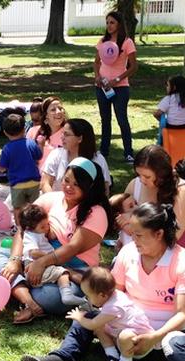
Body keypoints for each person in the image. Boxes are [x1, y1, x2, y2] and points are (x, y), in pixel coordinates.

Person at [21, 203, 185, 361]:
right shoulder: (129, 253)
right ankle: (60, 360)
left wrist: (154, 337)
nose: (133, 239)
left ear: (159, 234)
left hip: (164, 335)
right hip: (125, 323)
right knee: (85, 318)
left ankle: (121, 359)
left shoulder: (180, 261)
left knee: (173, 343)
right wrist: (98, 314)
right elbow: (113, 293)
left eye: (138, 235)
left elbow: (182, 315)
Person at [0, 157, 111, 323]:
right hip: (35, 261)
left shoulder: (96, 213)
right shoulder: (52, 198)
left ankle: (16, 289)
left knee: (50, 298)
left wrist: (42, 263)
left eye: (76, 184)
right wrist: (15, 260)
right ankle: (29, 301)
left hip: (72, 273)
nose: (69, 187)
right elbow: (23, 228)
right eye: (66, 180)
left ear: (88, 187)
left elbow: (72, 248)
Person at [66, 266, 155, 361]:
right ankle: (112, 356)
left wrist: (79, 318)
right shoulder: (113, 295)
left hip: (138, 345)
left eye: (88, 296)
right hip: (119, 333)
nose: (87, 299)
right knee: (100, 327)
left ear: (102, 295)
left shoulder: (114, 307)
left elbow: (92, 324)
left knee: (124, 336)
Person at [19, 204, 86, 307]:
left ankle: (82, 289)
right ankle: (67, 295)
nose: (47, 228)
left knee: (61, 273)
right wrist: (50, 256)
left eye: (47, 224)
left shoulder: (38, 233)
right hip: (34, 266)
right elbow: (33, 252)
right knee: (62, 272)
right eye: (42, 227)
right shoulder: (30, 236)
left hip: (44, 265)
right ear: (29, 228)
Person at [94, 11, 138, 162]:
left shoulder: (127, 42)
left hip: (120, 88)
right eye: (107, 22)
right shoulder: (102, 41)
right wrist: (97, 77)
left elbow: (133, 67)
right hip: (102, 87)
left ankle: (128, 152)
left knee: (122, 120)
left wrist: (117, 79)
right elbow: (96, 62)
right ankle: (104, 151)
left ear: (119, 24)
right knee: (105, 119)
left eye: (112, 22)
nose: (109, 25)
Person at [122, 145, 185, 245]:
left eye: (147, 176)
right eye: (139, 174)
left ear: (161, 175)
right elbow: (119, 211)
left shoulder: (181, 191)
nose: (142, 180)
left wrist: (132, 225)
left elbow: (174, 235)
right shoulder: (135, 184)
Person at [41, 118, 111, 194]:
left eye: (66, 134)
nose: (62, 137)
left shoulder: (98, 160)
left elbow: (104, 190)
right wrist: (55, 203)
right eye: (62, 133)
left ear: (80, 138)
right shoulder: (56, 154)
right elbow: (45, 183)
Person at [0, 113, 42, 223]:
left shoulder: (7, 148)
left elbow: (2, 167)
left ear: (5, 132)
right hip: (34, 182)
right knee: (34, 207)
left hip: (17, 184)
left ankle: (19, 228)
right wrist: (41, 145)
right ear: (24, 129)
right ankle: (34, 226)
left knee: (17, 208)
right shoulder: (31, 143)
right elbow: (39, 156)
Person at [26, 96, 66, 167]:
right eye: (53, 110)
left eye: (60, 108)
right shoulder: (33, 131)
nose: (59, 112)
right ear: (46, 115)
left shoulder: (69, 134)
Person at [154, 75, 185, 144]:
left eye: (167, 85)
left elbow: (156, 114)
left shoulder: (169, 99)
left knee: (163, 122)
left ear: (174, 87)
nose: (166, 87)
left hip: (171, 128)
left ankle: (161, 145)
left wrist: (162, 121)